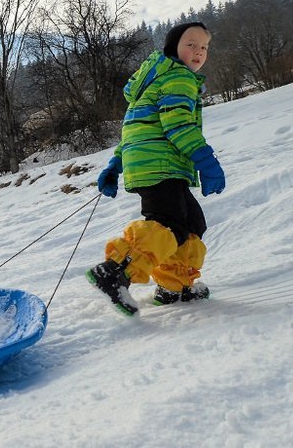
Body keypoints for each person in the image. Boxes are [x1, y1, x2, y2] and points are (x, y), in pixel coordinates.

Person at [86, 21, 226, 316]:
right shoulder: (178, 77)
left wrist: (115, 166)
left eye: (204, 47)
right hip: (162, 165)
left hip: (153, 165)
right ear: (174, 47)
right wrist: (206, 160)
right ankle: (115, 271)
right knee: (167, 223)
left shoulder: (150, 83)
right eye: (191, 44)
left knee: (191, 224)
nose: (198, 51)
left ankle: (174, 286)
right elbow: (178, 125)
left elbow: (135, 132)